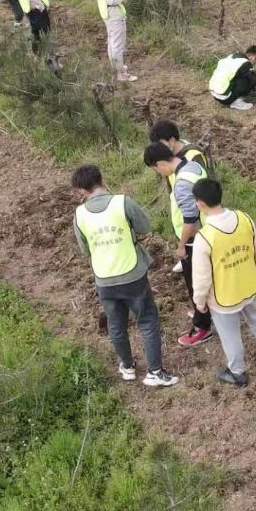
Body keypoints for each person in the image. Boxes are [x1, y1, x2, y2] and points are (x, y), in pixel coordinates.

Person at [71, 164, 179, 388]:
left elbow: (85, 250)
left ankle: (127, 366)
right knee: (147, 320)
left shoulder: (79, 214)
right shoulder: (123, 202)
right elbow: (145, 226)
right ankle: (155, 372)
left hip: (104, 278)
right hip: (132, 274)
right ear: (101, 179)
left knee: (116, 324)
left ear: (81, 190)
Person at [191, 178, 256, 387]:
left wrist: (200, 302)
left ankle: (238, 372)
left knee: (230, 334)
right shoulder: (244, 218)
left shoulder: (204, 237)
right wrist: (254, 273)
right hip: (249, 285)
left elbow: (202, 277)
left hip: (223, 297)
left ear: (201, 204)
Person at [143, 141, 214, 347]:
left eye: (155, 170)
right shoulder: (193, 166)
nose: (159, 173)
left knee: (195, 284)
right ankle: (208, 310)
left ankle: (202, 327)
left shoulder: (181, 182)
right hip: (209, 231)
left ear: (158, 164)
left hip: (195, 239)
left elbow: (190, 219)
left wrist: (182, 246)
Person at [148, 120, 209, 274]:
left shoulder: (192, 156)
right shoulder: (172, 158)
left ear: (172, 140)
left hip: (198, 224)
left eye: (161, 144)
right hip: (183, 215)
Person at [94, 0, 136, 83]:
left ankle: (116, 68)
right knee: (117, 43)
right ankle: (120, 73)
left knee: (113, 42)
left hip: (109, 14)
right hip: (114, 14)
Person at [209, 46, 256, 110]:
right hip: (224, 98)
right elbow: (255, 80)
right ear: (253, 56)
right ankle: (236, 103)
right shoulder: (245, 63)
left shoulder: (232, 56)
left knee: (239, 75)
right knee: (248, 80)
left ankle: (230, 96)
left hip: (214, 93)